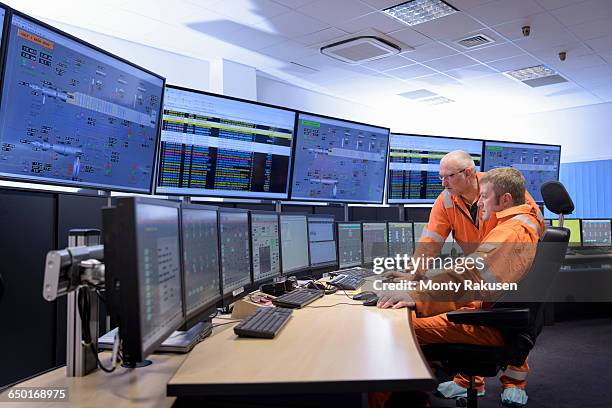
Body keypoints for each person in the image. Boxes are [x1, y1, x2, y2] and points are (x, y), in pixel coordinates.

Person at [376, 168, 540, 408]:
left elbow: (474, 274)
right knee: (415, 316)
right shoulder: (450, 200)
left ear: (469, 174)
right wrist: (416, 276)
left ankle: (512, 383)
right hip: (489, 297)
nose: (443, 182)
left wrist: (419, 296)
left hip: (491, 314)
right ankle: (432, 390)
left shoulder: (513, 222)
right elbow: (432, 242)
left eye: (449, 176)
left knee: (400, 328)